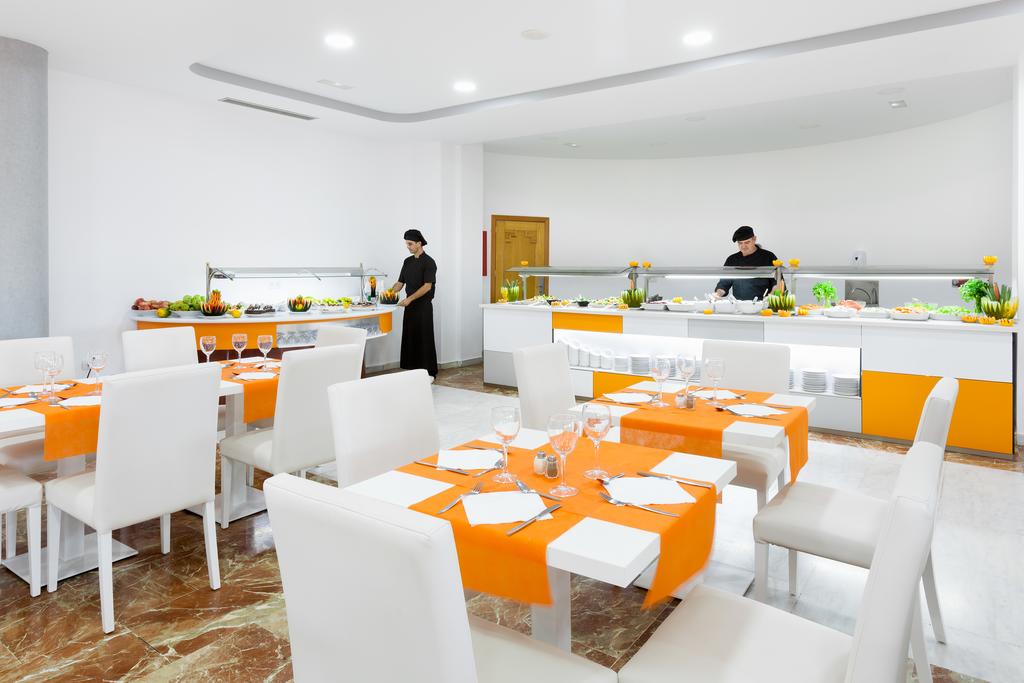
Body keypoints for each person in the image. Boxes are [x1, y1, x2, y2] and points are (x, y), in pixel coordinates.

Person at [390, 229, 438, 378]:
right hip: (409, 307)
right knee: (410, 338)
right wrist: (387, 294)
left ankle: (429, 373)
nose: (408, 246)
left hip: (423, 307)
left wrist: (409, 299)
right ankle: (413, 372)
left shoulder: (429, 262)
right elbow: (400, 283)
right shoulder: (407, 261)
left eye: (410, 244)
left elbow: (427, 286)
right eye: (406, 244)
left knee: (424, 338)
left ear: (419, 243)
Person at [714, 225, 779, 300]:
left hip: (763, 304)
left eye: (747, 242)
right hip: (739, 305)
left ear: (754, 239)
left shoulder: (768, 256)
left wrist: (771, 296)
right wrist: (717, 294)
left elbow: (778, 282)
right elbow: (724, 284)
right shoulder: (732, 259)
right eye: (740, 243)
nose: (743, 246)